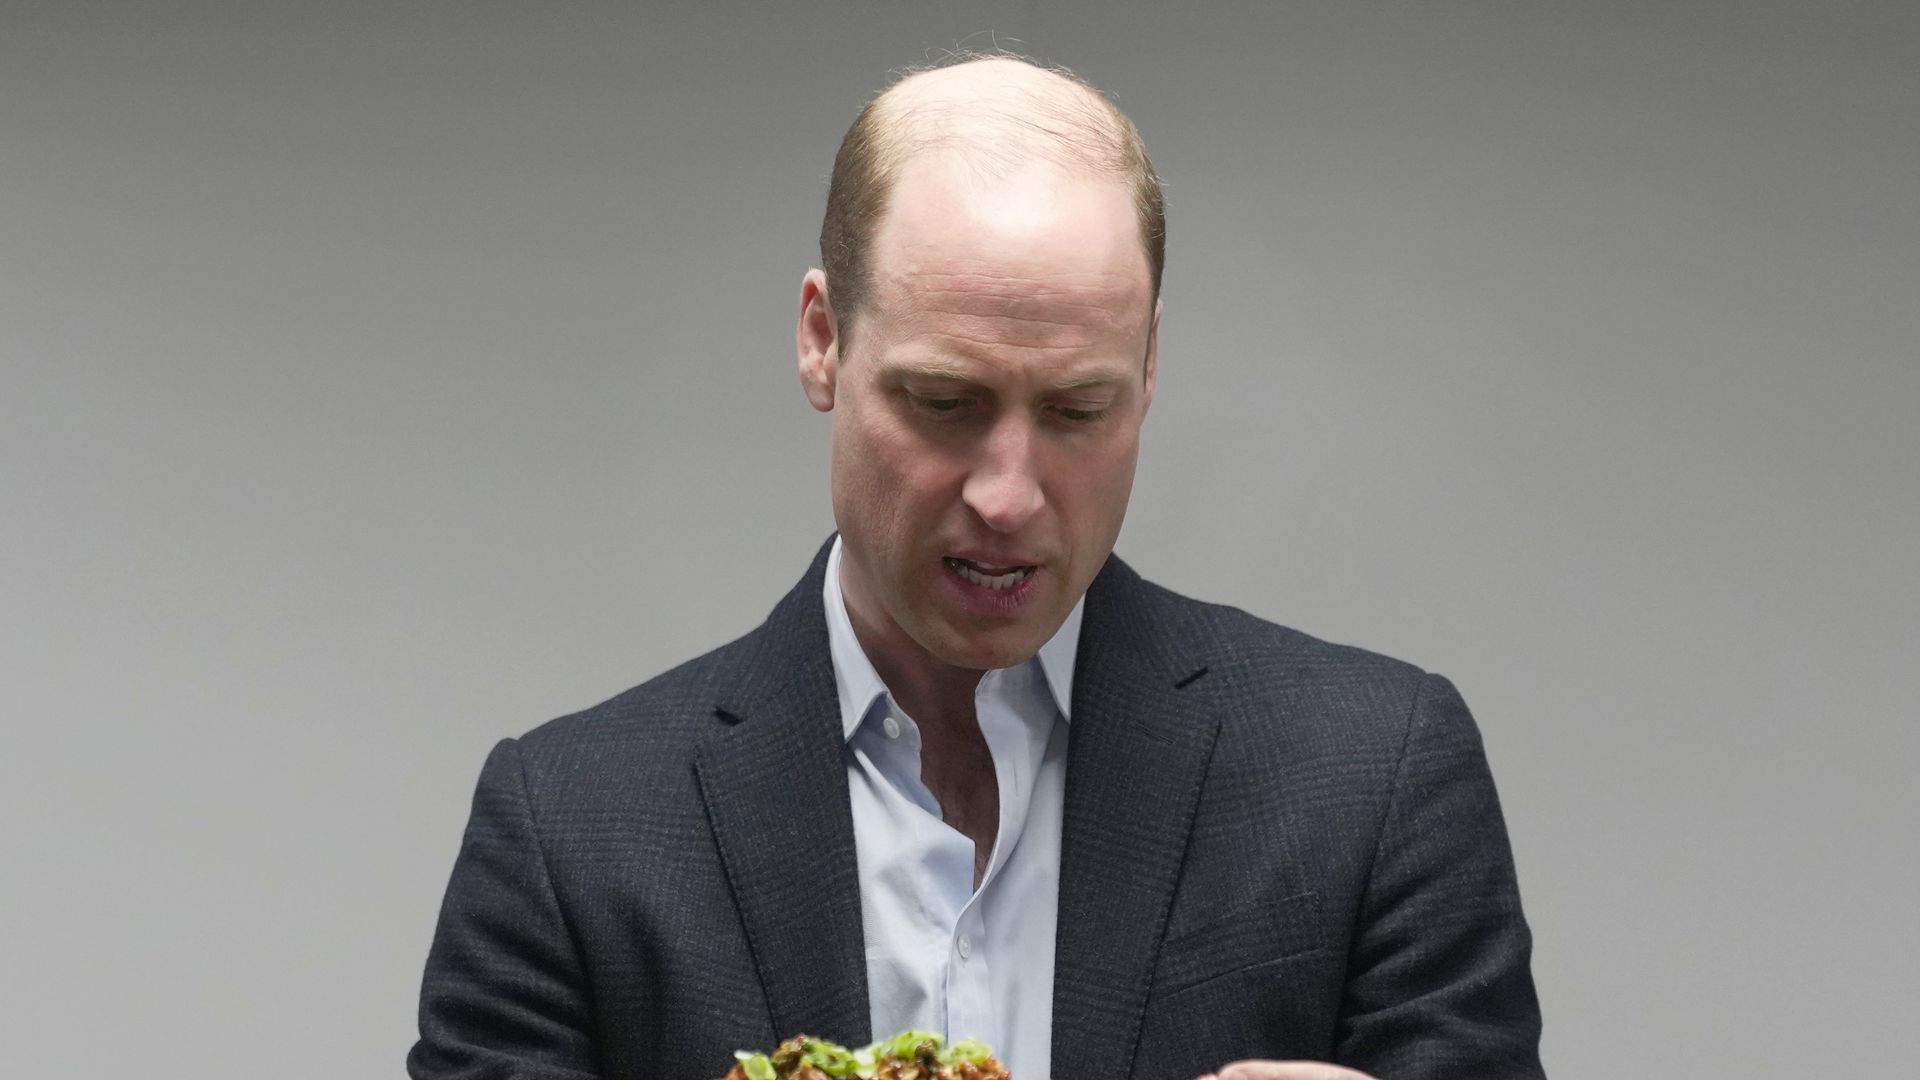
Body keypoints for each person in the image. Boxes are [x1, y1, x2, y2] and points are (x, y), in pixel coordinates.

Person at [409, 55, 1544, 1080]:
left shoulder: (1377, 778)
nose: (1008, 494)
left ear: (1149, 368)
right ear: (822, 339)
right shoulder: (567, 830)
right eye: (944, 403)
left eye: (1078, 408)